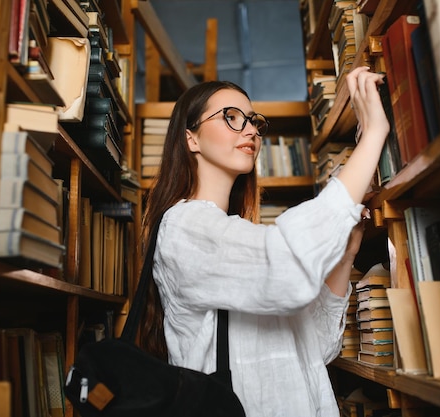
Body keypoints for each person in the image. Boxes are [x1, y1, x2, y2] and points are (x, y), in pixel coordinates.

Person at [140, 66, 389, 417]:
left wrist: (346, 255)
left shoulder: (234, 234)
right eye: (231, 117)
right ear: (190, 138)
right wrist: (374, 135)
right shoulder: (185, 226)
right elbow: (287, 266)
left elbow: (316, 348)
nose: (252, 129)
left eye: (254, 121)